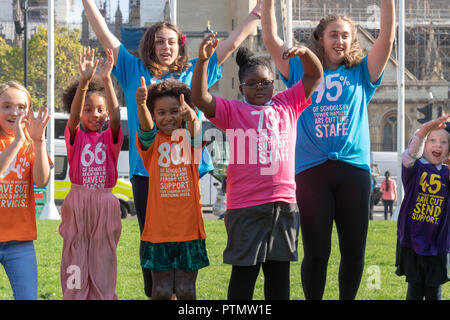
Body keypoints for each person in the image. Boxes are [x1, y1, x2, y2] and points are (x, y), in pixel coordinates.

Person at [81, 0, 263, 298]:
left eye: (171, 42)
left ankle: (183, 294)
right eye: (158, 42)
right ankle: (157, 292)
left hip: (184, 170)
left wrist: (256, 15)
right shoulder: (133, 68)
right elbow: (105, 36)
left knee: (184, 239)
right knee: (152, 240)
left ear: (180, 46)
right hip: (147, 171)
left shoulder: (195, 70)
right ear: (149, 46)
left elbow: (229, 45)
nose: (165, 47)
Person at [261, 0, 396, 299]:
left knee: (353, 252)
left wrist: (388, 3)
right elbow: (271, 40)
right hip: (311, 171)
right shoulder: (299, 67)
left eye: (346, 35)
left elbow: (386, 39)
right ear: (320, 38)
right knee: (317, 251)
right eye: (334, 34)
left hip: (354, 172)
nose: (340, 40)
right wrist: (267, 4)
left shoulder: (362, 72)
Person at [191, 34, 323, 300]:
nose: (259, 87)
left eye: (266, 82)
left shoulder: (287, 104)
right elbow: (200, 97)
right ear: (241, 88)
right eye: (252, 83)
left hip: (284, 204)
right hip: (245, 207)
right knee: (244, 275)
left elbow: (314, 76)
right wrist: (203, 61)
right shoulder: (232, 111)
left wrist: (306, 55)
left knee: (278, 276)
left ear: (274, 84)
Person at [135, 78, 208, 300]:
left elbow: (196, 129)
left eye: (174, 111)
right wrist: (141, 105)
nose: (168, 118)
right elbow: (146, 128)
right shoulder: (152, 145)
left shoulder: (191, 142)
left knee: (187, 290)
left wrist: (193, 116)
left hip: (189, 231)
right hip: (159, 232)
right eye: (161, 112)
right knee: (161, 291)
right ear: (154, 115)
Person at [59, 47, 123, 300]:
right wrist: (84, 82)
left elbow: (117, 118)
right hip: (77, 202)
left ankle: (103, 296)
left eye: (99, 110)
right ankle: (74, 295)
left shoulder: (111, 136)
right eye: (88, 109)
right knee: (74, 256)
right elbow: (73, 117)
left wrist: (107, 81)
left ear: (106, 113)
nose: (94, 114)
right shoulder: (75, 135)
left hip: (105, 202)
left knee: (102, 258)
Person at [0, 81, 52, 300]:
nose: (14, 112)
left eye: (21, 107)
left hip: (19, 242)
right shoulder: (17, 141)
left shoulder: (31, 142)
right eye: (6, 106)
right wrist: (18, 140)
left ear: (28, 111)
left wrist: (38, 141)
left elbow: (42, 181)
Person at [395, 115, 450, 300]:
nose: (438, 145)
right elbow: (410, 154)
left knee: (434, 293)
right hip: (413, 242)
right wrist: (423, 131)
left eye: (444, 142)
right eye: (432, 140)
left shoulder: (447, 174)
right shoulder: (414, 169)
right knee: (414, 291)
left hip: (438, 244)